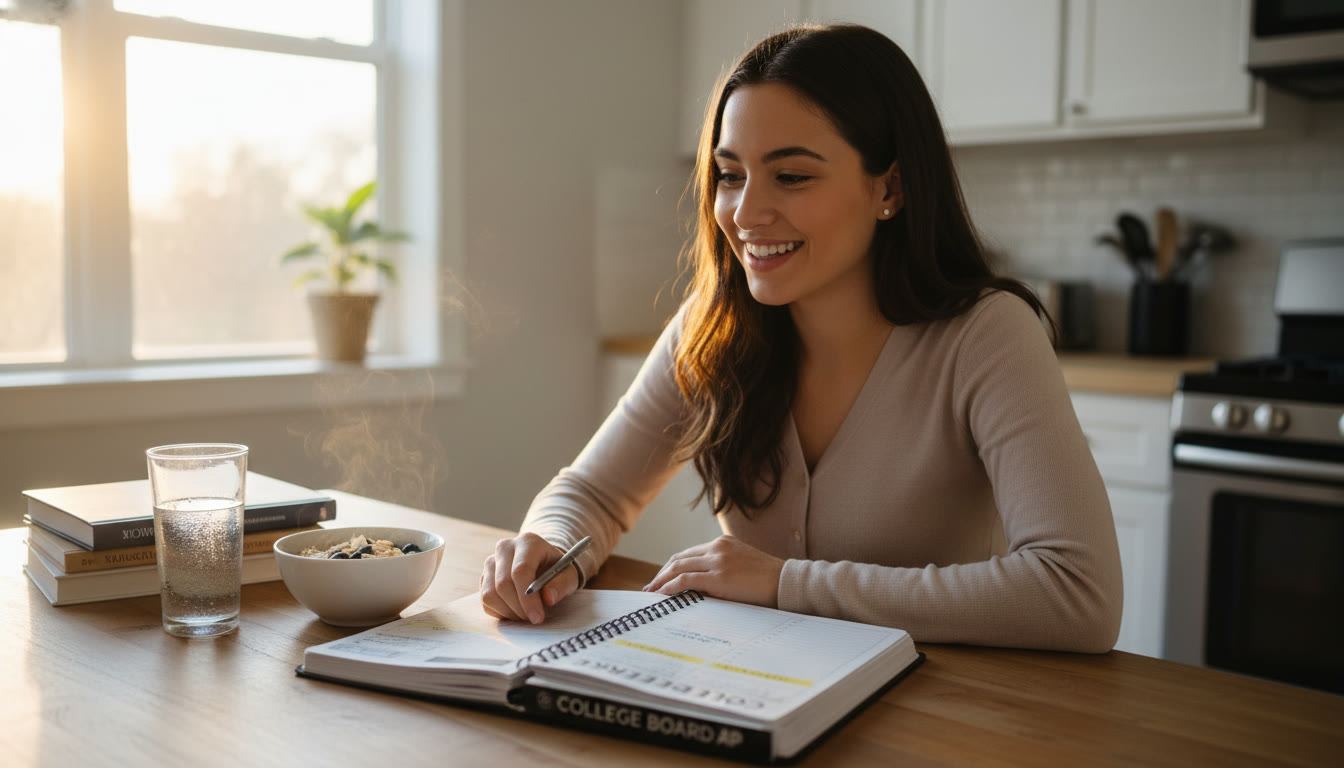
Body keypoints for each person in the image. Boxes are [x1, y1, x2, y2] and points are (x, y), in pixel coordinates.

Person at [480, 23, 1122, 653]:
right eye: (730, 175)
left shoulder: (985, 334)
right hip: (761, 696)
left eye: (791, 176)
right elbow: (590, 494)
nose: (746, 212)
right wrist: (549, 545)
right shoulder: (712, 328)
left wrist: (787, 584)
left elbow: (1076, 592)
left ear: (889, 188)